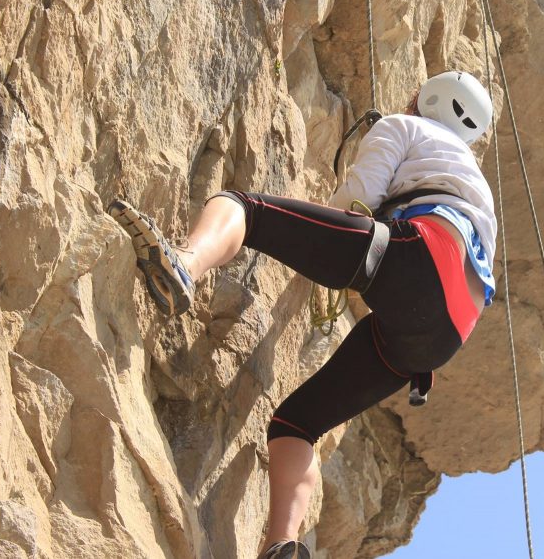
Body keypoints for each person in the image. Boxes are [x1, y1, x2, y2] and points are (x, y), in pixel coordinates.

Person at [109, 71, 497, 559]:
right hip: (443, 336)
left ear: (426, 98)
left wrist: (321, 242)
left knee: (244, 208)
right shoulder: (476, 185)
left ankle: (185, 265)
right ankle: (282, 547)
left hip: (420, 257)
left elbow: (356, 204)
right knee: (297, 425)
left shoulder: (404, 126)